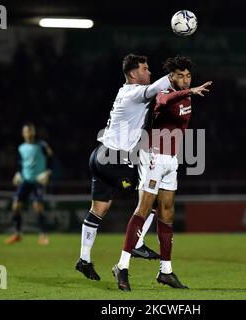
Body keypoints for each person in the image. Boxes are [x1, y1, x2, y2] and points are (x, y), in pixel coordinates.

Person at [112, 56, 213, 291]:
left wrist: (189, 90)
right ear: (171, 76)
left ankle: (165, 271)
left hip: (171, 159)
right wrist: (185, 90)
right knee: (144, 208)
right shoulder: (166, 92)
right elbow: (162, 100)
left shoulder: (188, 93)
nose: (185, 80)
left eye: (188, 76)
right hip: (153, 155)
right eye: (180, 75)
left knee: (167, 212)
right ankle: (122, 266)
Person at [75, 54, 172, 281]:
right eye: (145, 69)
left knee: (98, 210)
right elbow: (159, 86)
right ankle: (137, 243)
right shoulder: (136, 92)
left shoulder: (123, 92)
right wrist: (175, 72)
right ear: (132, 74)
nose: (149, 72)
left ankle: (84, 259)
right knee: (154, 197)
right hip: (114, 158)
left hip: (99, 155)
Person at [5, 123, 54, 245]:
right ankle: (17, 234)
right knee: (16, 206)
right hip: (26, 180)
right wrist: (18, 173)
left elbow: (52, 159)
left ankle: (43, 235)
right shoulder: (21, 148)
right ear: (23, 133)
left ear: (34, 132)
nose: (29, 133)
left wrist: (48, 172)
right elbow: (20, 163)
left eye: (31, 131)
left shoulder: (42, 145)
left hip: (38, 180)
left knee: (38, 206)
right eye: (27, 131)